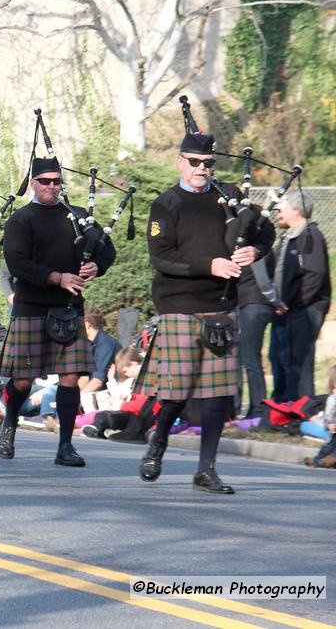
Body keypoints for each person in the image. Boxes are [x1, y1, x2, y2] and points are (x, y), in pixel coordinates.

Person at [134, 130, 270, 494]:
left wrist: (254, 251)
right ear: (180, 162)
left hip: (221, 307)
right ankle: (158, 440)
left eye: (208, 163)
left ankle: (205, 469)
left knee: (217, 394)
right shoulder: (166, 204)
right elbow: (161, 257)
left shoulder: (230, 198)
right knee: (176, 392)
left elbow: (266, 231)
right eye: (194, 162)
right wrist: (209, 265)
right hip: (178, 305)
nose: (202, 169)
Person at [0, 156, 116, 467]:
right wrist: (57, 277)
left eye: (56, 181)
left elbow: (107, 248)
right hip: (30, 307)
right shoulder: (21, 220)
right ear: (33, 183)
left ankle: (65, 445)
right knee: (22, 380)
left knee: (70, 376)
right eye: (45, 181)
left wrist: (95, 266)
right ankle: (10, 422)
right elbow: (18, 263)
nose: (51, 186)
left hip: (68, 309)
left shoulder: (76, 218)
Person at [268, 190, 331, 401]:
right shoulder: (289, 236)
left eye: (282, 207)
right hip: (286, 308)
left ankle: (303, 407)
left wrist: (293, 302)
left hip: (305, 309)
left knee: (300, 360)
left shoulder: (309, 235)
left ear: (296, 210)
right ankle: (283, 404)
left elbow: (315, 274)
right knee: (280, 356)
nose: (278, 212)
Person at [236, 215, 278, 419]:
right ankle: (248, 407)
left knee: (250, 357)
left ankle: (258, 408)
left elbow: (263, 282)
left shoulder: (255, 250)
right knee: (244, 356)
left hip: (255, 304)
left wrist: (276, 301)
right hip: (249, 304)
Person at [80, 307, 121, 395]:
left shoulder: (106, 344)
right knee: (52, 391)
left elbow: (97, 381)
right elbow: (84, 378)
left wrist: (76, 400)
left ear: (87, 325)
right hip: (93, 393)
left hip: (110, 394)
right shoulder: (88, 344)